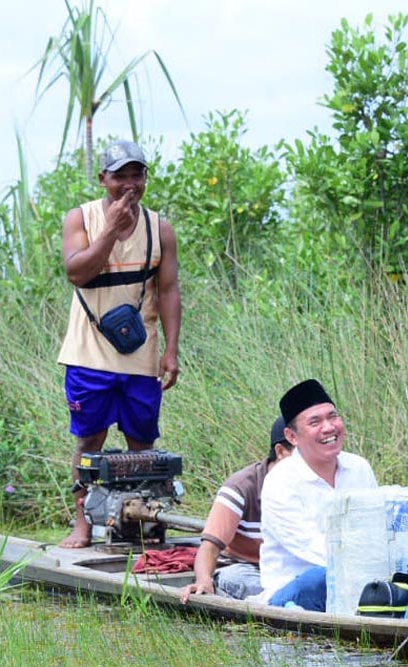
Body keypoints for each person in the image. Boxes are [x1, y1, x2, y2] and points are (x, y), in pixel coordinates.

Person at [56, 140, 182, 548]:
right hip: (88, 353)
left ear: (146, 178)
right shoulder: (81, 219)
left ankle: (137, 523)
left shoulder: (158, 228)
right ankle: (82, 523)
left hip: (139, 356)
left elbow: (168, 291)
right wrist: (110, 227)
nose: (129, 185)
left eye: (137, 175)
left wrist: (171, 350)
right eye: (120, 176)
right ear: (103, 179)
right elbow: (77, 271)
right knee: (89, 440)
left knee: (142, 444)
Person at [255, 379, 379, 611]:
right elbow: (313, 548)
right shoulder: (281, 481)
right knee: (321, 578)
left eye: (332, 417)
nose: (329, 427)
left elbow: (375, 529)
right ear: (292, 437)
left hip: (358, 577)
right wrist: (373, 567)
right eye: (315, 422)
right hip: (296, 589)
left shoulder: (359, 467)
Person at [177, 417, 294, 602]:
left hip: (292, 571)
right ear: (281, 452)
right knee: (249, 584)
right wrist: (203, 580)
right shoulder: (242, 486)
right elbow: (210, 546)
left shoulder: (317, 484)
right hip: (245, 568)